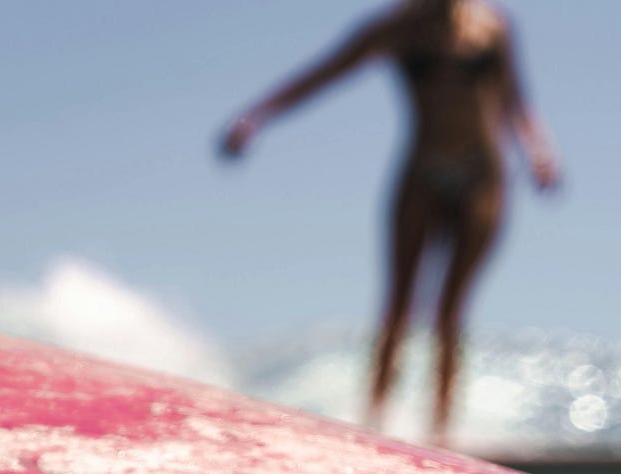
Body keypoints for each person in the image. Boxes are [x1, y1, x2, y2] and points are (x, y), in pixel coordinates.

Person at [221, 0, 560, 448]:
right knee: (398, 304)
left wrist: (538, 151)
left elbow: (516, 100)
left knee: (451, 310)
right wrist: (257, 116)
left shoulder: (492, 26)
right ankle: (374, 420)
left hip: (482, 177)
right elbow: (323, 74)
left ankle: (441, 433)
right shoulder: (396, 28)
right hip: (423, 172)